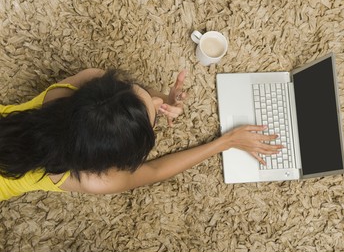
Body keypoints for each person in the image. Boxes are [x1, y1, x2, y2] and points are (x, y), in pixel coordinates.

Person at [0, 68, 283, 201]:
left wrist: (160, 100)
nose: (156, 103)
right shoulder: (94, 180)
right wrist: (225, 142)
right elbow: (156, 170)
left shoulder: (73, 88)